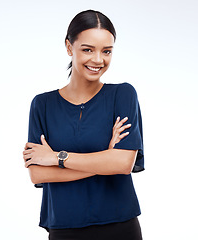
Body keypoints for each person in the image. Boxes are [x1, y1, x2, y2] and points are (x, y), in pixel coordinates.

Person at [23, 9, 144, 240]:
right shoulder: (42, 105)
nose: (98, 60)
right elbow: (38, 174)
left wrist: (57, 158)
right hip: (64, 228)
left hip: (120, 226)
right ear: (69, 47)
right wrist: (105, 158)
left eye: (106, 51)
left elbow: (122, 164)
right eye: (88, 49)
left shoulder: (123, 95)